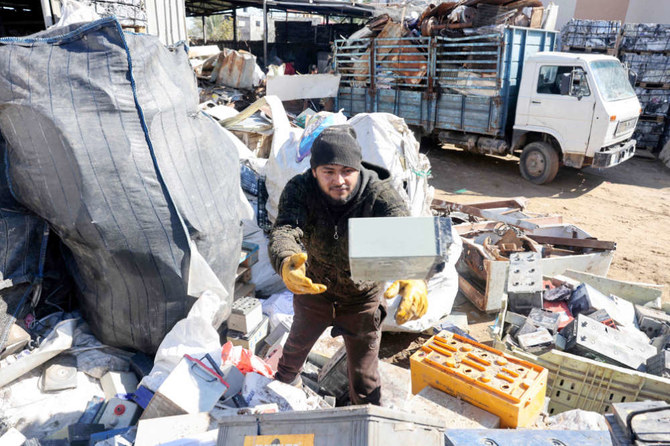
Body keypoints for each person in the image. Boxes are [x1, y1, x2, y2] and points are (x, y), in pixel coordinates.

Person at [268, 125, 429, 405]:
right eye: (328, 171)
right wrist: (285, 262)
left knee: (365, 379)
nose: (339, 180)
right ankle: (282, 401)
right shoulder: (300, 189)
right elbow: (284, 229)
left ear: (357, 168)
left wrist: (414, 275)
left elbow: (403, 229)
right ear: (314, 170)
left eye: (347, 171)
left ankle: (363, 420)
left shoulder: (378, 194)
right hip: (313, 292)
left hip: (362, 300)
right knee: (292, 354)